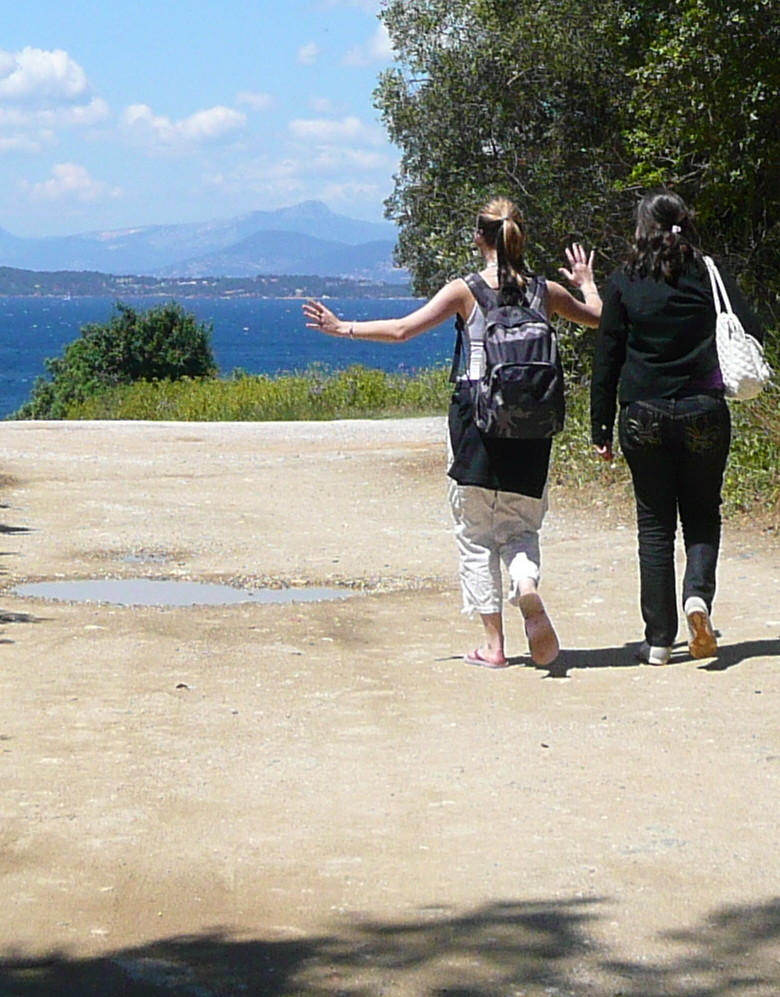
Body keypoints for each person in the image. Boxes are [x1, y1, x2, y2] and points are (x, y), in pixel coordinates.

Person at [304, 200, 597, 669]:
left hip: (476, 423)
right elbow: (598, 317)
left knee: (476, 535)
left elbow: (402, 331)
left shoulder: (467, 290)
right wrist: (586, 283)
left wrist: (343, 328)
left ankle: (494, 646)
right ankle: (526, 585)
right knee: (520, 528)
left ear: (480, 238)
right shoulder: (547, 291)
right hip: (532, 429)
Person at [585, 191, 733, 664]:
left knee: (654, 526)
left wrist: (600, 426)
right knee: (703, 514)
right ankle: (697, 597)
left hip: (643, 412)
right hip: (702, 408)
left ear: (641, 228)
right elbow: (748, 324)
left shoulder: (624, 280)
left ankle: (658, 641)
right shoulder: (707, 274)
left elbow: (606, 355)